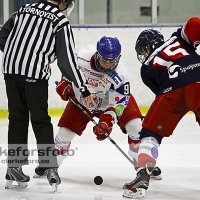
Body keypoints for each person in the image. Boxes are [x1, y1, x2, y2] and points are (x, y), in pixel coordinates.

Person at [33, 36, 162, 180]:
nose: (107, 65)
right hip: (83, 100)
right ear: (97, 55)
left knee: (136, 127)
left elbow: (119, 102)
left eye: (111, 61)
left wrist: (107, 120)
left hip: (109, 103)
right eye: (104, 60)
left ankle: (142, 163)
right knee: (64, 134)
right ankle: (50, 164)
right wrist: (64, 84)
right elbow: (67, 70)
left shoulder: (120, 73)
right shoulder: (81, 57)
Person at [0, 0, 94, 191]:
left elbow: (2, 37)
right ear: (62, 3)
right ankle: (50, 167)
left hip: (10, 70)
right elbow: (66, 59)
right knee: (40, 119)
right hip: (34, 74)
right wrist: (83, 88)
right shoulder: (60, 21)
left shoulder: (24, 9)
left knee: (17, 118)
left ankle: (14, 167)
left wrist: (17, 57)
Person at [122, 17, 200, 199]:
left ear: (148, 47)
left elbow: (163, 94)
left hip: (174, 88)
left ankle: (142, 175)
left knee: (150, 134)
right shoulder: (177, 38)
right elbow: (194, 23)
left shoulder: (146, 67)